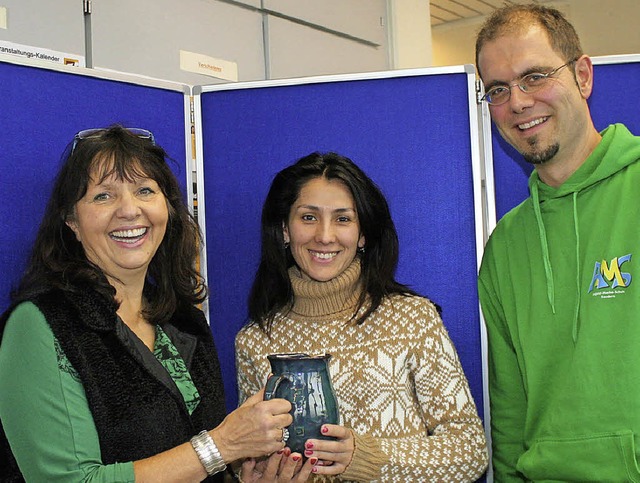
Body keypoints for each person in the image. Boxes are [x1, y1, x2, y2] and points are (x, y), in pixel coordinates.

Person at [0, 125, 315, 482]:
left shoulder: (184, 322)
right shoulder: (39, 324)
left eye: (145, 190)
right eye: (103, 196)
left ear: (167, 207)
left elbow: (195, 465)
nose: (129, 210)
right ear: (71, 220)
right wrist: (222, 445)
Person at [235, 151, 488, 482]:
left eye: (343, 219)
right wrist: (250, 474)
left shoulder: (412, 320)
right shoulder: (255, 341)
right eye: (308, 217)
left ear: (363, 234)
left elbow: (469, 452)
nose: (325, 236)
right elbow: (252, 458)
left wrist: (366, 457)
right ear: (284, 229)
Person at [476, 4, 640, 481]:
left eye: (535, 76)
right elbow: (510, 414)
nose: (519, 103)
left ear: (583, 76)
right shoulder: (506, 246)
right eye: (499, 89)